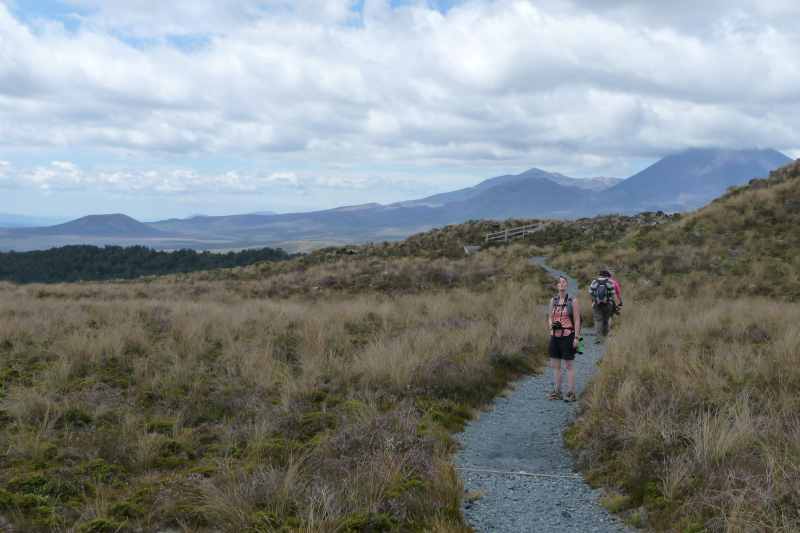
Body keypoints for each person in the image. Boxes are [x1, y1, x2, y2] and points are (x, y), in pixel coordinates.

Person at [547, 275, 581, 402]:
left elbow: (577, 320)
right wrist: (551, 327)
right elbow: (550, 317)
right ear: (557, 286)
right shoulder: (553, 301)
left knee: (569, 365)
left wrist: (576, 338)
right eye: (559, 282)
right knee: (555, 365)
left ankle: (571, 392)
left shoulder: (573, 301)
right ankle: (557, 391)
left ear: (567, 285)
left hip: (568, 336)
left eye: (564, 282)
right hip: (555, 337)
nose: (561, 284)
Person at [589, 269, 620, 338]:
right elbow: (613, 294)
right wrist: (616, 304)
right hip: (608, 304)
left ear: (599, 275)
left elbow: (590, 293)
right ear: (606, 276)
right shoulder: (609, 282)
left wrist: (594, 301)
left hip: (596, 304)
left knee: (598, 320)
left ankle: (598, 337)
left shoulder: (594, 282)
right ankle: (605, 336)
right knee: (606, 320)